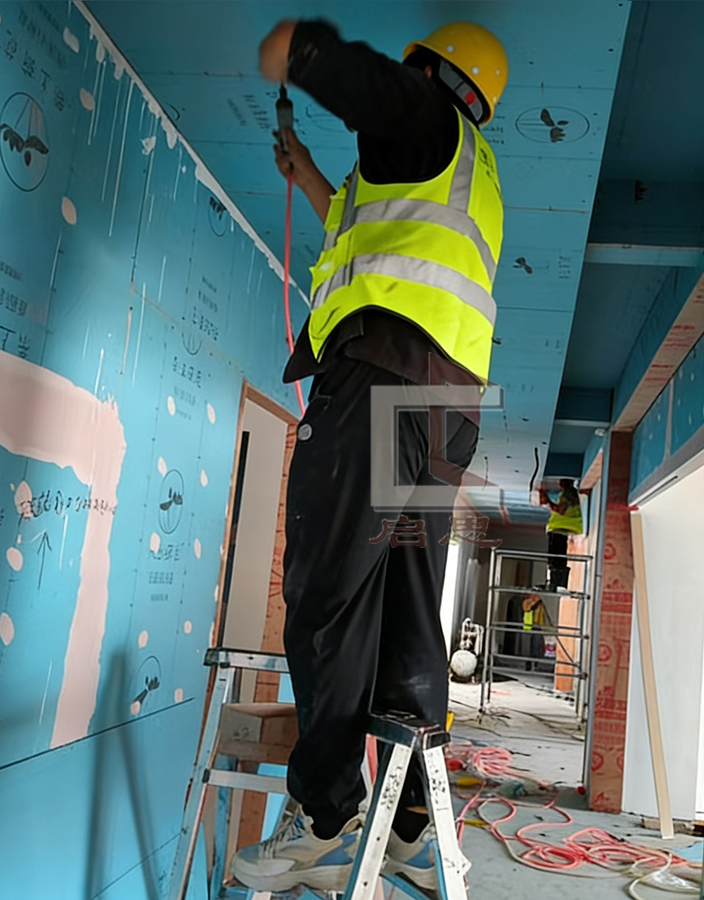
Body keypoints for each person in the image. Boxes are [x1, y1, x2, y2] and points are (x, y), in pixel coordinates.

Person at [229, 18, 508, 894]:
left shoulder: (425, 121)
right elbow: (377, 239)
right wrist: (312, 178)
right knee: (407, 605)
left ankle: (327, 819)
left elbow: (375, 91)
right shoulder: (467, 177)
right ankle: (412, 823)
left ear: (431, 73)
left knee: (327, 595)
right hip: (441, 412)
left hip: (379, 387)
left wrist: (301, 51)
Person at [538, 478, 582, 590]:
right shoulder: (568, 494)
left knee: (555, 558)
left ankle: (556, 583)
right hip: (560, 528)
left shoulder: (569, 495)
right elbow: (560, 510)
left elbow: (560, 509)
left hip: (560, 528)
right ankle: (557, 583)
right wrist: (547, 500)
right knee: (556, 558)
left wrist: (547, 501)